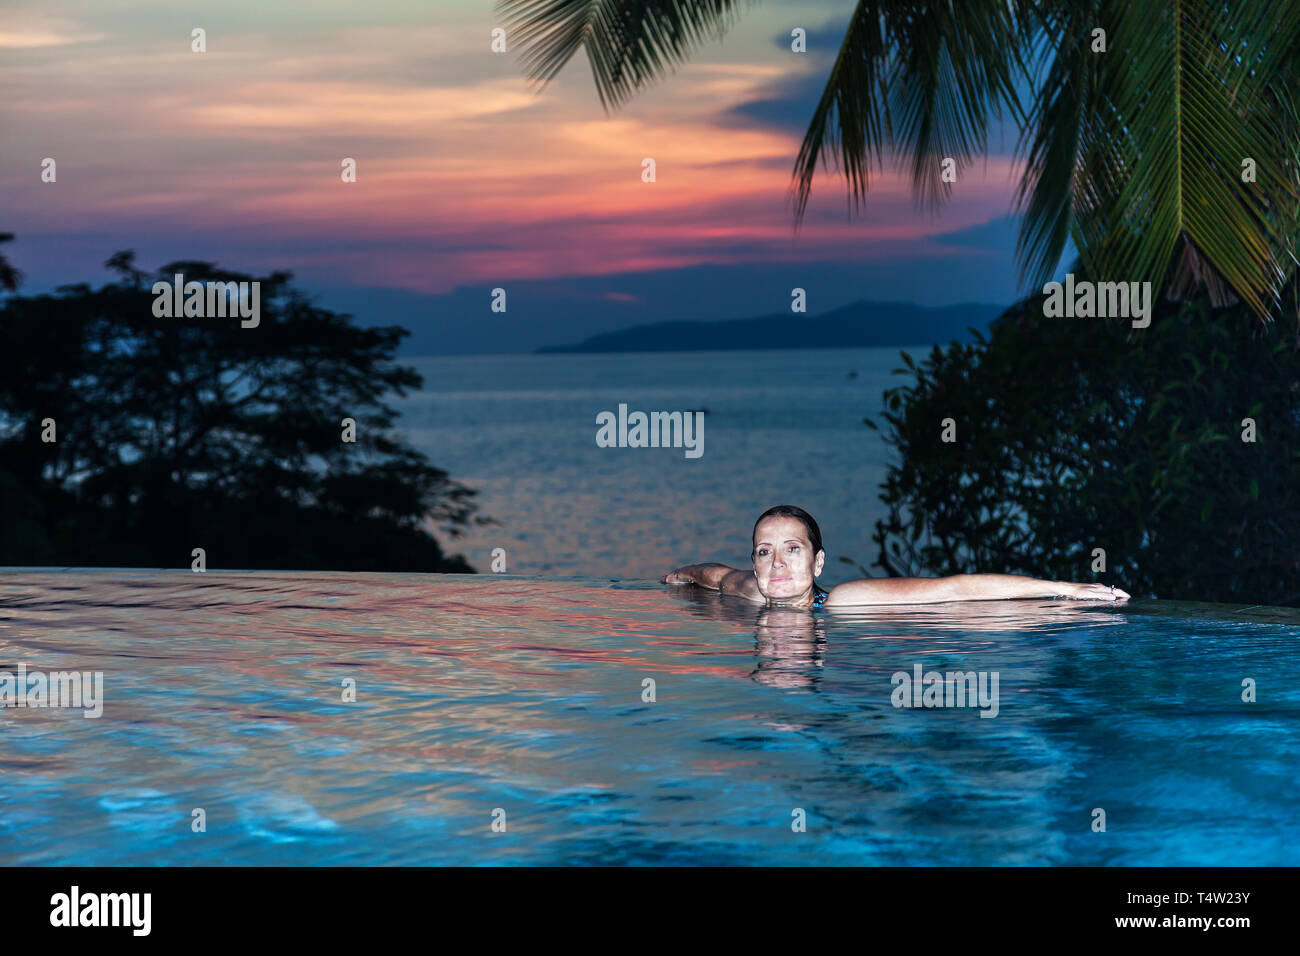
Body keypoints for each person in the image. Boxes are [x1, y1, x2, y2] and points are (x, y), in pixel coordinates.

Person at [661, 504, 1130, 610]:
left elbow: (953, 589)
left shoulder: (842, 602)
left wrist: (1067, 590)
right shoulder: (750, 592)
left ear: (818, 563)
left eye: (792, 549)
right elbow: (713, 574)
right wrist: (681, 573)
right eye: (765, 552)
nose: (777, 564)